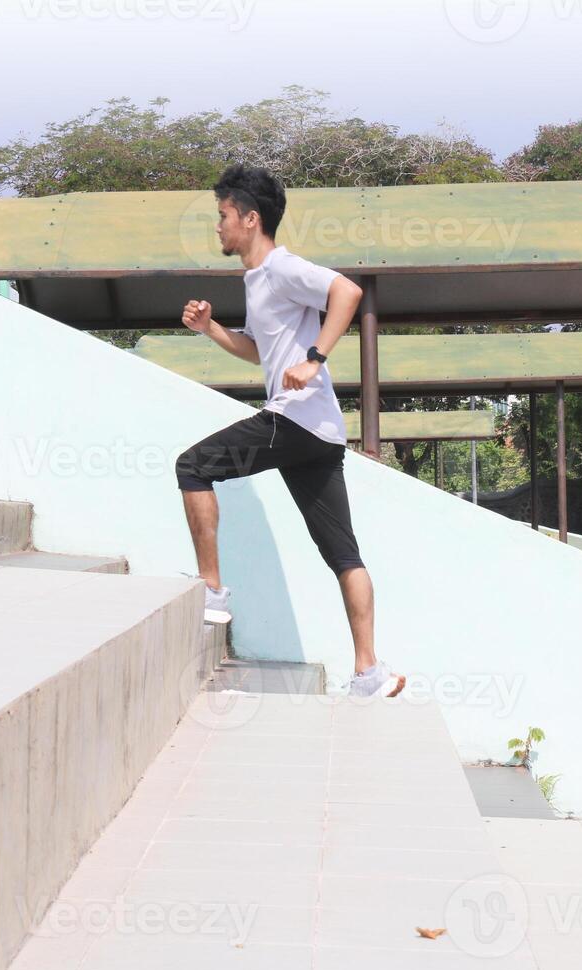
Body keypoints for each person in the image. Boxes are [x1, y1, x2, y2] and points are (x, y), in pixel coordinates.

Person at [175, 164, 405, 699]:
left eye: (223, 216)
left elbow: (346, 292)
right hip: (319, 434)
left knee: (192, 467)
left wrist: (315, 358)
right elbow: (258, 349)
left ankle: (211, 590)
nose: (218, 226)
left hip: (295, 418)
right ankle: (370, 671)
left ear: (250, 219)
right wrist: (210, 328)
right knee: (343, 554)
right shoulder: (256, 280)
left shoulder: (281, 268)